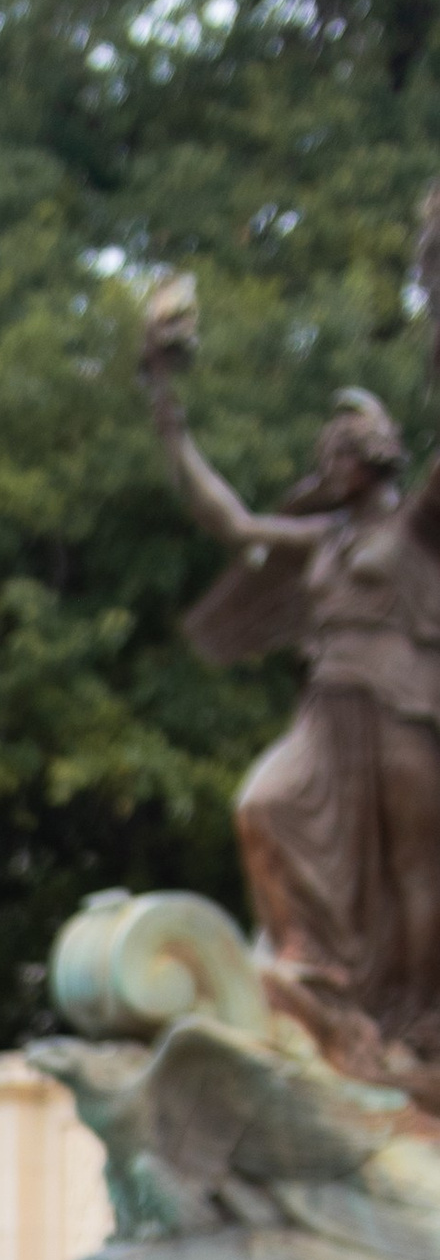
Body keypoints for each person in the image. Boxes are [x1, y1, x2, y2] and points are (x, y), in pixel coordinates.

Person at [144, 267, 440, 1094]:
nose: (328, 465)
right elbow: (232, 521)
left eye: (339, 452)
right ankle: (319, 978)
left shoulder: (421, 523)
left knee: (419, 868)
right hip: (327, 707)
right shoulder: (323, 538)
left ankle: (422, 1023)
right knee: (262, 804)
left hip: (403, 703)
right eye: (325, 456)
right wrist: (166, 404)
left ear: (374, 456)